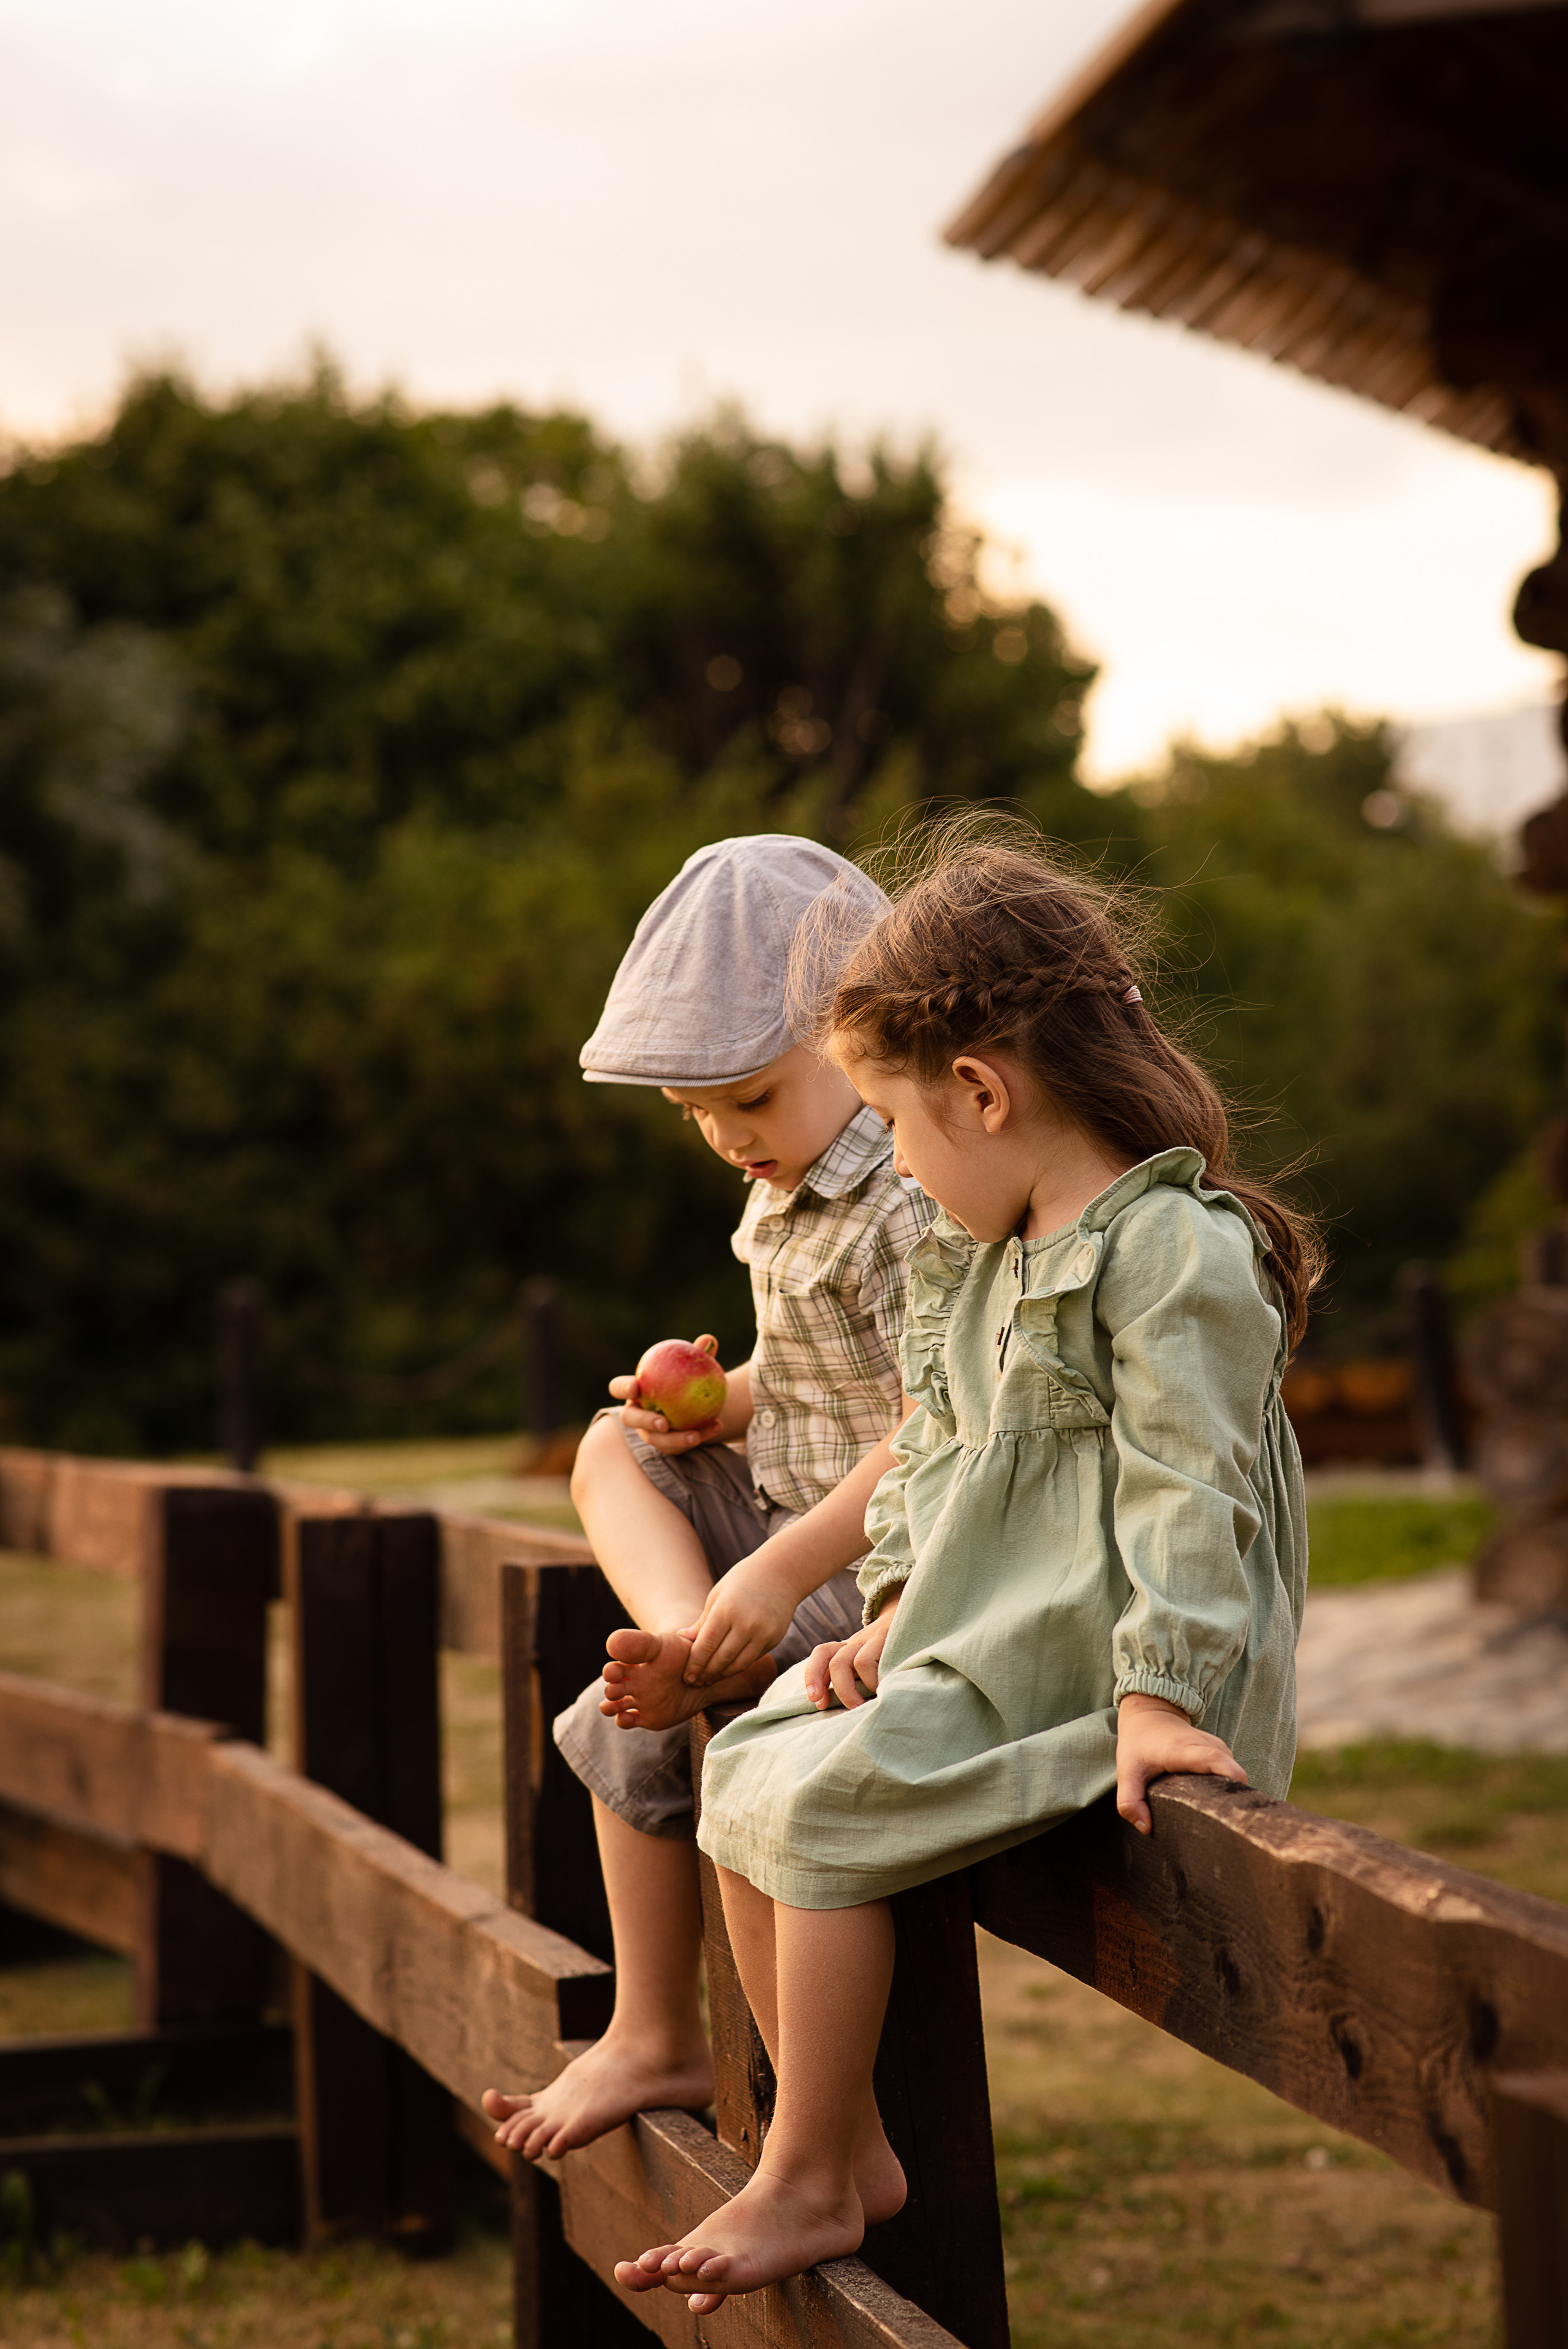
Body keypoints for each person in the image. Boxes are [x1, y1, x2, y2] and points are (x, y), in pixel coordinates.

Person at [614, 827, 1317, 2315]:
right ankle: (839, 2144)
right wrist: (886, 1619)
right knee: (750, 1755)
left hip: (1109, 1673)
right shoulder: (985, 1260)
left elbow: (1194, 1499)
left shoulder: (1169, 1252)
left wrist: (1156, 1696)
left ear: (982, 1094)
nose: (899, 1170)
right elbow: (936, 1460)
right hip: (989, 1643)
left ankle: (799, 2171)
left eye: (898, 1124)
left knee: (814, 1803)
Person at [482, 835, 932, 2165]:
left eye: (748, 1094)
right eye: (695, 1113)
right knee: (609, 1448)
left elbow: (934, 1436)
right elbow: (794, 1385)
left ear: (856, 1039)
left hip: (884, 1569)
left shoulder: (911, 1197)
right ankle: (651, 2019)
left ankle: (710, 1638)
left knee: (687, 1745)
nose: (727, 1136)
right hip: (788, 1550)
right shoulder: (785, 1187)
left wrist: (778, 1572)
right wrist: (708, 1406)